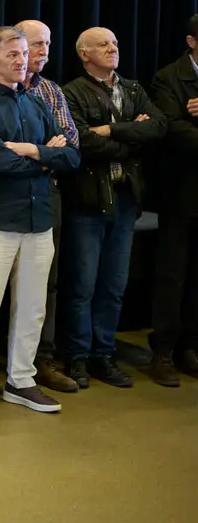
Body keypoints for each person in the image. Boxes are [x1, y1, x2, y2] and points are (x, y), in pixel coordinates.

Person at [0, 27, 80, 418]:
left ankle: (21, 380)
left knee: (33, 307)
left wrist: (28, 150)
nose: (22, 60)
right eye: (13, 54)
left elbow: (72, 156)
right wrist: (45, 157)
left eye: (25, 53)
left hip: (40, 220)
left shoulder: (37, 102)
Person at [60, 27, 166, 389]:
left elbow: (159, 127)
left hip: (125, 199)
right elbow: (81, 142)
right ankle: (76, 357)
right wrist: (128, 134)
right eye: (103, 44)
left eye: (116, 43)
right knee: (82, 285)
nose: (112, 48)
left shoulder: (133, 89)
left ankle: (103, 355)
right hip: (88, 201)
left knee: (114, 285)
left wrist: (110, 130)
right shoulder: (70, 91)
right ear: (84, 53)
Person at [146, 13, 198, 386]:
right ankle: (163, 349)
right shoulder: (169, 77)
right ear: (192, 41)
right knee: (173, 272)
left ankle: (190, 346)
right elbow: (172, 129)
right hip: (181, 190)